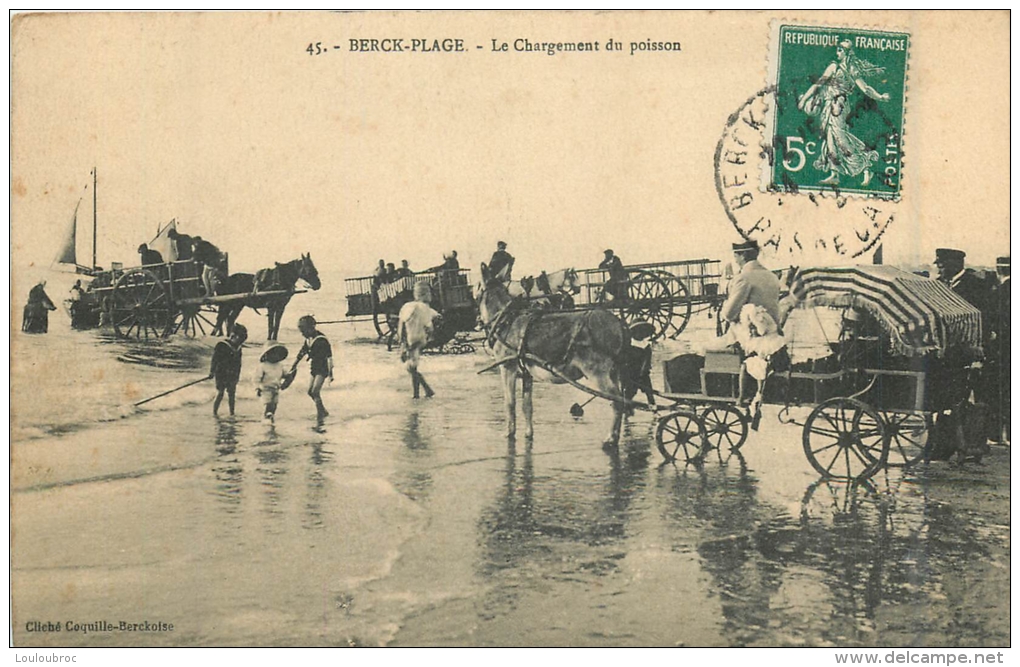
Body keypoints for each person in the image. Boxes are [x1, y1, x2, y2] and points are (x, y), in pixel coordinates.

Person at [797, 40, 890, 187]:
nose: (837, 53)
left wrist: (880, 97)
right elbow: (818, 84)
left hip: (838, 106)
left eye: (840, 50)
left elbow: (865, 88)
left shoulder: (851, 69)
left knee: (840, 138)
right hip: (829, 105)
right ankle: (835, 174)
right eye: (837, 50)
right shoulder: (833, 66)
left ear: (847, 53)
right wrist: (805, 100)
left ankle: (865, 167)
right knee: (831, 138)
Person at [720, 239, 782, 329]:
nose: (736, 261)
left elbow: (729, 314)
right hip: (773, 334)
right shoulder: (772, 276)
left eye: (735, 256)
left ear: (743, 256)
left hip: (751, 336)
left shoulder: (743, 278)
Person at [398, 282, 440, 398]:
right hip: (420, 339)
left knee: (410, 366)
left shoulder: (408, 306)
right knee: (412, 366)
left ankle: (420, 392)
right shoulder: (427, 309)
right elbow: (430, 326)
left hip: (411, 338)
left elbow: (402, 323)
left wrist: (401, 341)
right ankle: (425, 390)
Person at [292, 315, 333, 421]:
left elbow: (329, 358)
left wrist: (330, 374)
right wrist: (294, 365)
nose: (302, 334)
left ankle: (320, 413)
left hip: (323, 368)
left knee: (315, 391)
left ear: (311, 328)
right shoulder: (308, 339)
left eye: (304, 331)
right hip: (314, 367)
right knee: (310, 391)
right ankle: (323, 410)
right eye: (301, 331)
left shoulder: (321, 340)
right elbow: (301, 353)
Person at [210, 323, 247, 417]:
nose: (240, 343)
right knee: (220, 393)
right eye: (239, 339)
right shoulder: (221, 345)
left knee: (232, 394)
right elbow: (215, 359)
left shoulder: (238, 348)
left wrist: (237, 376)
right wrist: (212, 371)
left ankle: (232, 413)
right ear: (233, 336)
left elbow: (239, 364)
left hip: (232, 374)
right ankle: (214, 412)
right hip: (221, 373)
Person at [254, 341, 289, 422]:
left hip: (276, 389)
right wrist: (257, 388)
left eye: (277, 354)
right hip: (265, 389)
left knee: (274, 405)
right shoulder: (263, 366)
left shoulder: (280, 366)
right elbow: (256, 378)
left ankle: (271, 418)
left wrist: (289, 377)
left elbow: (286, 375)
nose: (275, 356)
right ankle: (264, 419)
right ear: (267, 354)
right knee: (267, 404)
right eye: (273, 353)